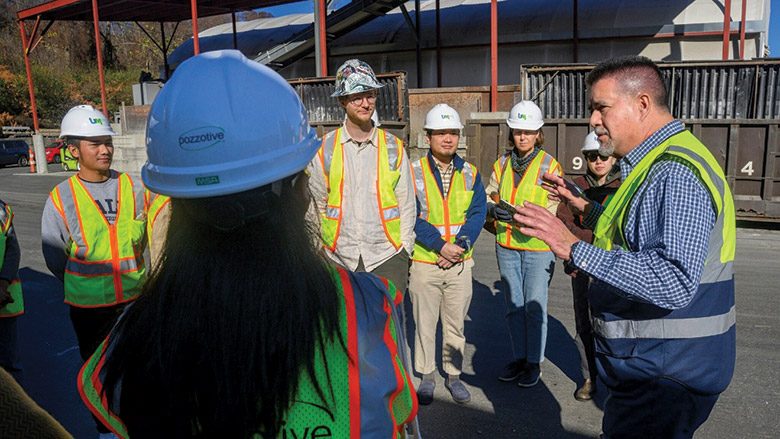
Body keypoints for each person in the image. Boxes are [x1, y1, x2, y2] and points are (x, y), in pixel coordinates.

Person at [77, 50, 417, 438]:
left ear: (174, 201)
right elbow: (398, 416)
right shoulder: (368, 310)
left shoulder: (128, 343)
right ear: (301, 192)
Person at [514, 56, 735, 438]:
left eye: (602, 108)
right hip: (658, 366)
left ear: (642, 104)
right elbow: (637, 230)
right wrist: (587, 207)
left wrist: (573, 247)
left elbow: (673, 279)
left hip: (665, 373)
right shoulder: (653, 165)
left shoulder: (674, 172)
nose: (593, 121)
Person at [41, 104, 147, 438]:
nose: (105, 150)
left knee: (139, 373)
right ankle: (106, 432)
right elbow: (54, 256)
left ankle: (136, 426)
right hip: (89, 311)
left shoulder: (133, 187)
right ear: (73, 150)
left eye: (107, 142)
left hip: (134, 301)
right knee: (99, 375)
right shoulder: (62, 197)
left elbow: (142, 242)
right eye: (94, 144)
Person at [307, 59, 416, 291]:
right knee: (343, 325)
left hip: (387, 255)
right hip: (336, 255)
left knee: (388, 325)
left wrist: (405, 247)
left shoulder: (393, 147)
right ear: (343, 101)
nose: (366, 104)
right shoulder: (324, 148)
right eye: (357, 97)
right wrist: (317, 249)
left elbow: (406, 203)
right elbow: (315, 204)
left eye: (370, 95)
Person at [409, 104, 486, 405]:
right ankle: (427, 376)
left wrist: (461, 245)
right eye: (440, 132)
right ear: (427, 137)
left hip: (459, 264)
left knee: (455, 325)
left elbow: (478, 213)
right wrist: (440, 246)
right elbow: (409, 214)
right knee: (425, 324)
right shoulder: (412, 172)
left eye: (452, 132)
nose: (447, 138)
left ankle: (453, 376)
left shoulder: (470, 173)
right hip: (426, 261)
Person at [487, 100, 563, 388]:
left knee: (534, 307)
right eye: (518, 131)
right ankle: (519, 358)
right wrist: (494, 209)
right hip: (506, 245)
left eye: (528, 132)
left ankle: (534, 363)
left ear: (538, 134)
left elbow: (555, 206)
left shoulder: (549, 166)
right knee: (513, 306)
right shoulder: (501, 164)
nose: (522, 137)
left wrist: (528, 220)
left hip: (538, 249)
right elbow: (489, 194)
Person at [555, 131, 620, 401]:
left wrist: (586, 239)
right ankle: (589, 377)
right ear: (586, 158)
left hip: (613, 268)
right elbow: (563, 221)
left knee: (613, 325)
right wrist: (581, 245)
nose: (599, 160)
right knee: (584, 323)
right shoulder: (575, 187)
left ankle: (615, 379)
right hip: (581, 265)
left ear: (613, 157)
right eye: (593, 156)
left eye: (603, 155)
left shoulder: (623, 188)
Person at [0, 199, 23, 381]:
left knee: (9, 368)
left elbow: (12, 250)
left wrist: (3, 283)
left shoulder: (2, 210)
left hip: (4, 302)